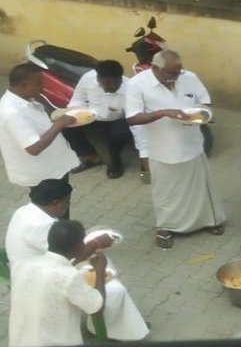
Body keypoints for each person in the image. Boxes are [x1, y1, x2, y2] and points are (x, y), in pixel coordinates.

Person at [5, 179, 150, 341]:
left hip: (28, 271)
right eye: (66, 201)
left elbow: (65, 250)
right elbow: (74, 258)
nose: (68, 205)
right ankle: (108, 329)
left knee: (103, 264)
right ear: (55, 203)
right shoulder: (40, 227)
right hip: (42, 278)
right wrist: (97, 255)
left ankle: (127, 326)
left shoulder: (25, 212)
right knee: (115, 289)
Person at [126, 50, 226, 248]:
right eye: (170, 73)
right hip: (161, 149)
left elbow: (204, 101)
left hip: (192, 144)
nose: (175, 77)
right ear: (155, 68)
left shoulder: (189, 77)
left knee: (200, 189)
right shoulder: (137, 84)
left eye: (178, 72)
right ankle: (165, 228)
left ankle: (210, 221)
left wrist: (202, 113)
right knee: (166, 193)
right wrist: (163, 113)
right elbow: (132, 118)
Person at [9, 220, 106, 347]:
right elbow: (96, 309)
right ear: (77, 247)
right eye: (82, 242)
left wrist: (76, 260)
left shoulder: (21, 265)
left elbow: (54, 276)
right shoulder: (70, 276)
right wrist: (100, 271)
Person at [0, 63, 78, 218]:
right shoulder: (12, 112)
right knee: (53, 213)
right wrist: (59, 124)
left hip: (53, 166)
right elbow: (34, 148)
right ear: (24, 85)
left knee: (62, 207)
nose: (42, 88)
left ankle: (65, 229)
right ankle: (60, 232)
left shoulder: (24, 100)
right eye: (38, 84)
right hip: (42, 174)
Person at [63, 60, 149, 180]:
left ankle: (114, 158)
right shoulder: (87, 79)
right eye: (107, 85)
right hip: (91, 117)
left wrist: (144, 154)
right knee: (66, 126)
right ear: (98, 79)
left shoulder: (130, 88)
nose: (111, 88)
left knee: (120, 132)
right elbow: (77, 99)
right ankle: (91, 157)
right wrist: (74, 113)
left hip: (118, 120)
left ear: (121, 79)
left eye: (115, 84)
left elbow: (135, 121)